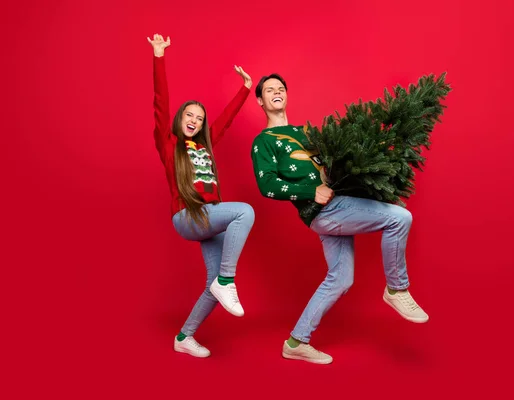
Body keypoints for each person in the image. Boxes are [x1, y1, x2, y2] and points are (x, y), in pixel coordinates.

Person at [250, 73, 429, 365]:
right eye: (269, 90)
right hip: (324, 210)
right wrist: (311, 190)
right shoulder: (264, 142)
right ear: (260, 100)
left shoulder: (305, 131)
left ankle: (296, 342)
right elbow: (267, 185)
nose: (276, 92)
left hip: (336, 202)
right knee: (399, 218)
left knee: (340, 280)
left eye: (281, 88)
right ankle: (397, 289)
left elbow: (334, 159)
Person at [148, 33, 254, 358]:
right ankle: (227, 280)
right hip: (187, 216)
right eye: (189, 115)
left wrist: (246, 89)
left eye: (200, 118)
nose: (194, 120)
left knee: (213, 285)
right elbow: (160, 103)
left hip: (208, 217)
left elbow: (224, 121)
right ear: (180, 119)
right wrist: (159, 56)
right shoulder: (169, 144)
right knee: (244, 212)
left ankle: (185, 336)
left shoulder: (205, 145)